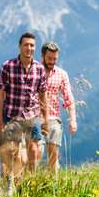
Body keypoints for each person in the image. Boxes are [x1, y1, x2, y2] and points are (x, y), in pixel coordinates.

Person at [0, 32, 49, 196]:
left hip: (33, 115)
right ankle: (13, 183)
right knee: (14, 153)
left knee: (34, 151)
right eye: (26, 45)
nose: (29, 48)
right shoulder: (8, 66)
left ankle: (30, 183)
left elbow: (43, 95)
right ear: (20, 47)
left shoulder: (39, 68)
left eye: (32, 45)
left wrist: (45, 119)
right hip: (13, 115)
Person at [39, 41, 77, 172]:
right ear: (42, 55)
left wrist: (73, 120)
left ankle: (52, 187)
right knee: (36, 153)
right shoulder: (34, 71)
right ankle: (29, 185)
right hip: (35, 118)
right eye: (49, 58)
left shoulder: (61, 74)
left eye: (55, 59)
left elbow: (69, 98)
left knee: (53, 157)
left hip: (54, 119)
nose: (52, 61)